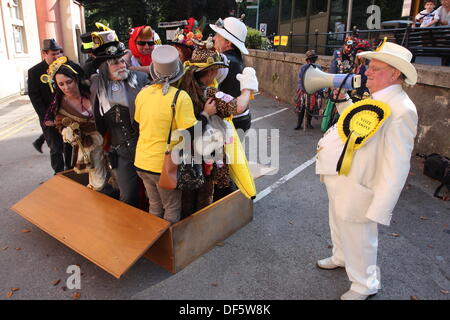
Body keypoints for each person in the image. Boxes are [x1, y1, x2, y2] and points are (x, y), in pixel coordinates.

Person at [315, 39, 418, 300]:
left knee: (361, 237)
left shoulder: (402, 110)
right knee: (339, 221)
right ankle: (340, 255)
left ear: (395, 73)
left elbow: (397, 163)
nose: (367, 71)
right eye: (370, 66)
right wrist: (342, 102)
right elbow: (357, 128)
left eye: (375, 68)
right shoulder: (379, 98)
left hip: (360, 184)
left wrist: (381, 206)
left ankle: (365, 284)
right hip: (342, 176)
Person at [177, 39, 258, 218]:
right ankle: (204, 224)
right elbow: (238, 106)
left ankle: (186, 223)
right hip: (208, 149)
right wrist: (247, 88)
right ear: (212, 71)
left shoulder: (182, 87)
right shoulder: (211, 93)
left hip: (185, 147)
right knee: (207, 188)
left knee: (188, 190)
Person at [133, 45, 213, 224]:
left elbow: (139, 121)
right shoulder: (180, 97)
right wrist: (206, 113)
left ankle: (155, 244)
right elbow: (192, 132)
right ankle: (169, 247)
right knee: (171, 207)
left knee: (154, 204)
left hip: (142, 161)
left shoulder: (143, 94)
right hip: (163, 165)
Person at [90, 28, 150, 208]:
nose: (122, 65)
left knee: (152, 193)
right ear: (103, 68)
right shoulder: (96, 84)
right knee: (128, 196)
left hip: (144, 145)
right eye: (115, 63)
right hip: (119, 150)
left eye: (122, 60)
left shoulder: (141, 79)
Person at [43, 57, 108, 191]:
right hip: (90, 145)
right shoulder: (60, 107)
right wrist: (68, 133)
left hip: (111, 139)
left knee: (117, 178)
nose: (66, 87)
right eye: (61, 84)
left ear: (76, 79)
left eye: (69, 82)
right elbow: (61, 126)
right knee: (98, 183)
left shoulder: (93, 89)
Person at [28, 39, 72, 173]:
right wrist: (45, 117)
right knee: (56, 148)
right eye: (53, 54)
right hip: (49, 117)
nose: (57, 57)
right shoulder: (34, 72)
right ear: (44, 54)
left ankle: (70, 171)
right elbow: (35, 97)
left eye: (58, 53)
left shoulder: (65, 66)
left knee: (69, 144)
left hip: (66, 114)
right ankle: (58, 174)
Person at [210, 17, 252, 133]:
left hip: (230, 123)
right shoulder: (237, 59)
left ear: (228, 42)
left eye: (217, 35)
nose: (214, 38)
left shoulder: (224, 61)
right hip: (241, 119)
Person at [294, 50, 323, 130]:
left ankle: (308, 123)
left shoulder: (319, 67)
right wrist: (302, 89)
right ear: (308, 60)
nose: (312, 61)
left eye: (313, 59)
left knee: (311, 107)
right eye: (310, 59)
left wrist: (320, 90)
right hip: (304, 90)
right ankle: (299, 124)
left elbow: (321, 79)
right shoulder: (304, 67)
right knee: (301, 107)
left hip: (314, 90)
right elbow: (300, 79)